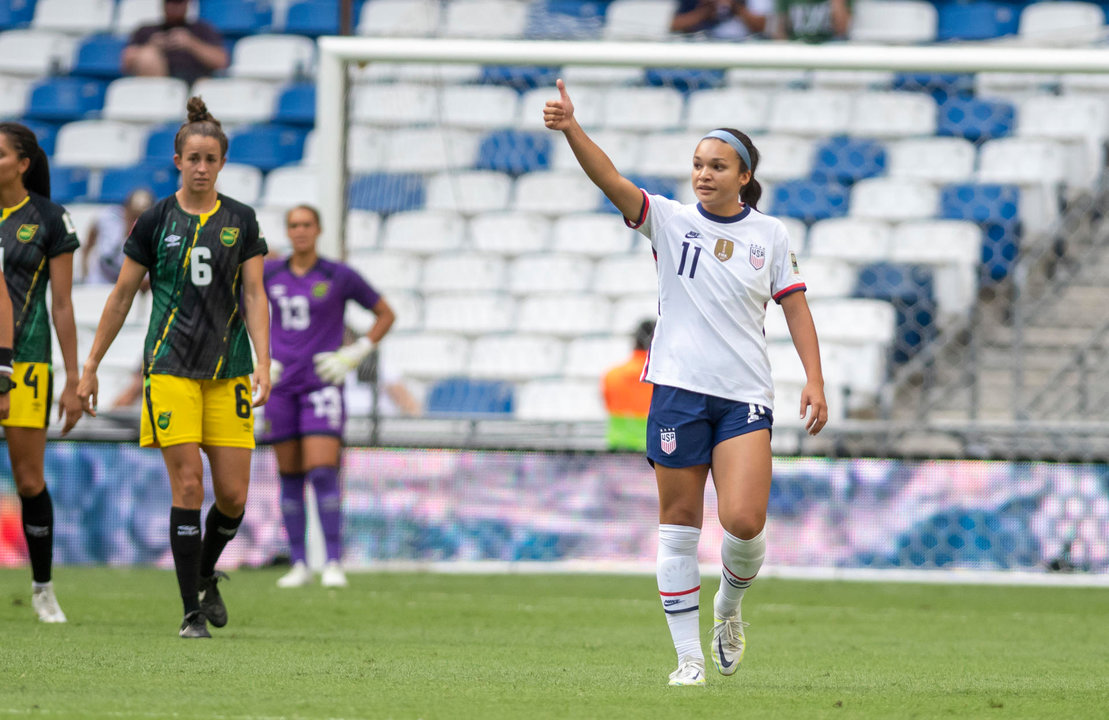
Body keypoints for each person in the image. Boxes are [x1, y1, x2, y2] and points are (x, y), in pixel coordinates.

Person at [544, 79, 828, 686]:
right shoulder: (668, 221)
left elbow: (796, 308)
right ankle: (688, 659)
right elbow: (611, 181)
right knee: (678, 525)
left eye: (718, 166)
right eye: (698, 164)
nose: (704, 174)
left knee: (745, 521)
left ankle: (728, 606)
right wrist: (572, 129)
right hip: (676, 390)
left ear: (744, 176)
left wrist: (815, 380)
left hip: (745, 394)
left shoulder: (771, 235)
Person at [76, 97, 271, 639]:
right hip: (169, 370)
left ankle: (206, 570)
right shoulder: (156, 219)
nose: (202, 167)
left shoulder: (241, 221)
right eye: (194, 158)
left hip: (228, 371)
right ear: (178, 160)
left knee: (232, 498)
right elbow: (118, 297)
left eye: (211, 159)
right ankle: (190, 613)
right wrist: (91, 365)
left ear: (223, 163)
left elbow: (255, 295)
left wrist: (264, 362)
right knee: (187, 486)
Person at [261, 204, 396, 589]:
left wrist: (355, 353)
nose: (300, 231)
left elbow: (386, 313)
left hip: (322, 383)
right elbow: (242, 314)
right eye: (293, 225)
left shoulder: (338, 275)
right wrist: (260, 358)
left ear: (318, 230)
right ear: (287, 231)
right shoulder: (269, 274)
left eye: (306, 224)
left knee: (322, 470)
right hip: (281, 385)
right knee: (289, 474)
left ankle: (333, 561)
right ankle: (300, 563)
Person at [0, 123, 84, 624]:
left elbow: (64, 305)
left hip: (28, 361)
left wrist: (74, 378)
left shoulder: (51, 218)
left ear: (23, 163)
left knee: (30, 480)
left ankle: (42, 587)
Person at [122, 0, 229, 84]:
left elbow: (222, 61)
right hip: (158, 83)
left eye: (179, 2)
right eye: (169, 2)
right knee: (148, 55)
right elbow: (126, 62)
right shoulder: (146, 30)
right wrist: (151, 46)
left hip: (193, 83)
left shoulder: (202, 29)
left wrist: (191, 43)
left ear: (187, 3)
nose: (173, 6)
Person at [602, 319, 655, 452]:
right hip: (652, 451)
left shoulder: (611, 375)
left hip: (617, 451)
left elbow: (608, 405)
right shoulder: (663, 380)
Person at [82, 188, 155, 285]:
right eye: (133, 215)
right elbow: (88, 244)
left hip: (133, 286)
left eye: (141, 216)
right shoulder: (107, 219)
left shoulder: (155, 232)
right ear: (126, 209)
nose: (136, 220)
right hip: (101, 281)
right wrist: (84, 270)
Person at [671, 0, 772, 40]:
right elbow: (673, 25)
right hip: (701, 45)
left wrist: (735, 6)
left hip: (744, 45)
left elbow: (763, 27)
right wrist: (705, 11)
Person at [773, 0, 851, 42]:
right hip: (796, 50)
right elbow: (780, 33)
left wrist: (836, 3)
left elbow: (842, 30)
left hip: (829, 51)